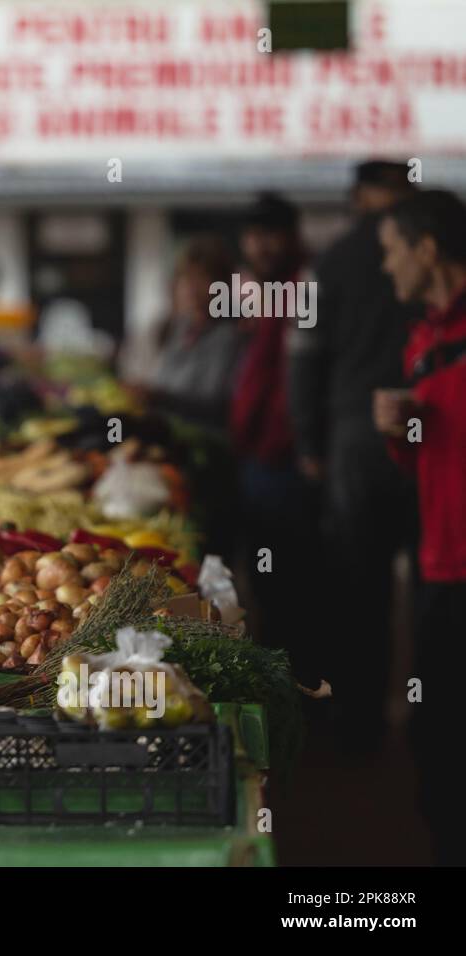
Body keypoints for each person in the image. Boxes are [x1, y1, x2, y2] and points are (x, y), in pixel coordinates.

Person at [288, 161, 419, 743]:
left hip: (355, 438)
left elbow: (303, 356)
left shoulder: (332, 260)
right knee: (433, 583)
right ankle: (428, 719)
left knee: (357, 584)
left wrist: (309, 442)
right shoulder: (432, 249)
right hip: (428, 431)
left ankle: (359, 721)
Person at [374, 189, 466, 864]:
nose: (387, 267)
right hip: (440, 558)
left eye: (392, 251)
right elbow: (421, 450)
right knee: (436, 735)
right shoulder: (423, 337)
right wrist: (400, 429)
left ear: (427, 250)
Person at [228, 194, 323, 689]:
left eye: (270, 234)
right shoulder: (259, 293)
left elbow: (297, 384)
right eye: (252, 235)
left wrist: (301, 447)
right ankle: (285, 683)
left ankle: (300, 690)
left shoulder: (304, 287)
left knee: (289, 582)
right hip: (254, 456)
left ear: (291, 236)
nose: (259, 245)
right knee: (264, 580)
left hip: (284, 460)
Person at [126, 234, 242, 430]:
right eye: (187, 278)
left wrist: (158, 397)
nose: (192, 288)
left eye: (203, 278)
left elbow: (216, 402)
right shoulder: (180, 327)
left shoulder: (231, 335)